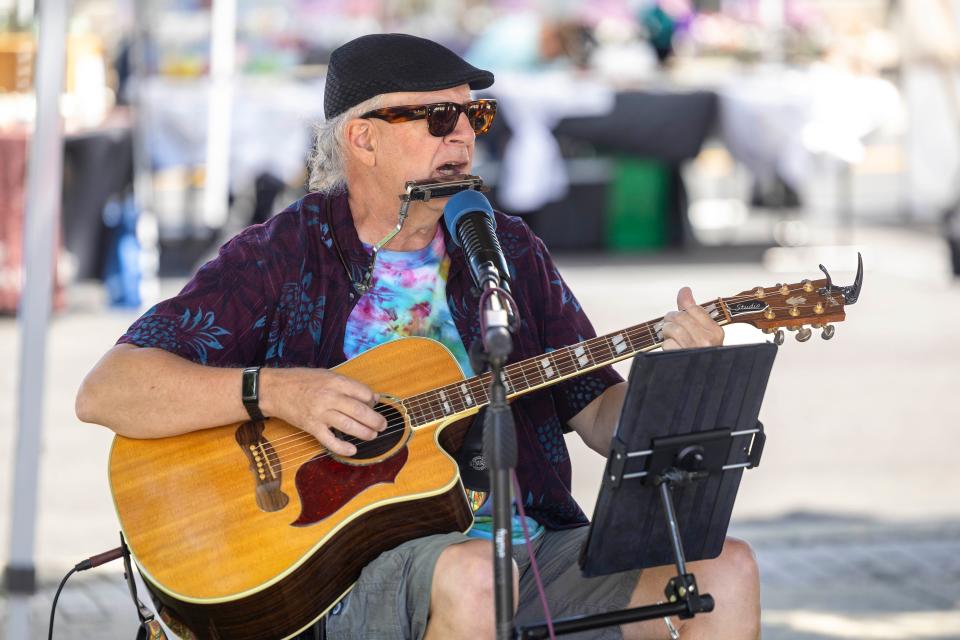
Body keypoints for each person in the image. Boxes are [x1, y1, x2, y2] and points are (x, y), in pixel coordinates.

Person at [76, 33, 760, 640]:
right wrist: (278, 392)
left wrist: (675, 384)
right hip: (344, 572)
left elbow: (597, 412)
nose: (462, 135)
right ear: (362, 137)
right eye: (438, 117)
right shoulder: (282, 254)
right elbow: (109, 389)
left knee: (724, 568)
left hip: (527, 547)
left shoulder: (506, 249)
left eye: (475, 116)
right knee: (476, 580)